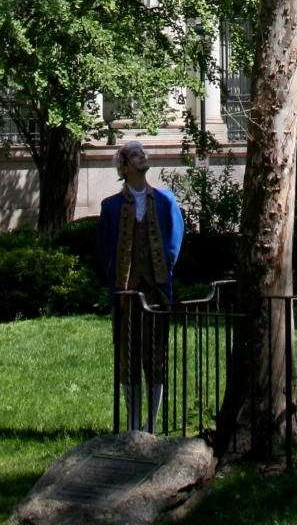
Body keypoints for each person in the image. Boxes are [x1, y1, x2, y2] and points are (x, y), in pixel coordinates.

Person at [97, 140, 184, 432]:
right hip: (126, 294)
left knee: (156, 355)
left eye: (142, 153)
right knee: (128, 357)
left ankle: (153, 422)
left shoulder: (165, 201)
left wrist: (165, 267)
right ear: (124, 165)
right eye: (135, 154)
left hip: (156, 289)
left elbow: (175, 238)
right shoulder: (110, 206)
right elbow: (105, 248)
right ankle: (133, 422)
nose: (142, 157)